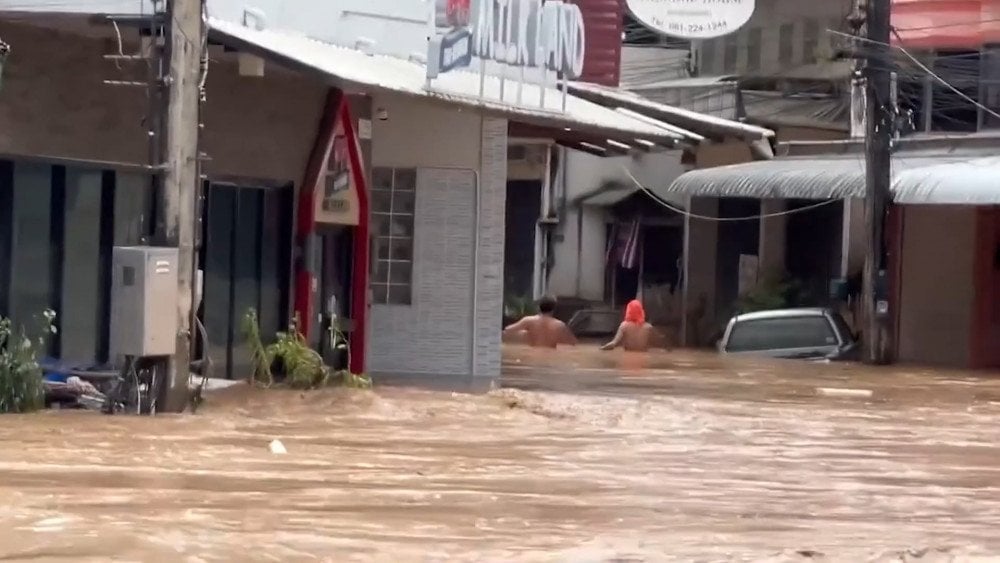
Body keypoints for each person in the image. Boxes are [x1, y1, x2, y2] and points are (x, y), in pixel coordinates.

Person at [502, 295, 577, 348]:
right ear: (554, 309)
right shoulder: (560, 325)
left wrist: (523, 334)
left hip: (532, 354)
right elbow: (573, 343)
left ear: (538, 307)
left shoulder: (528, 321)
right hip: (550, 355)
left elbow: (507, 330)